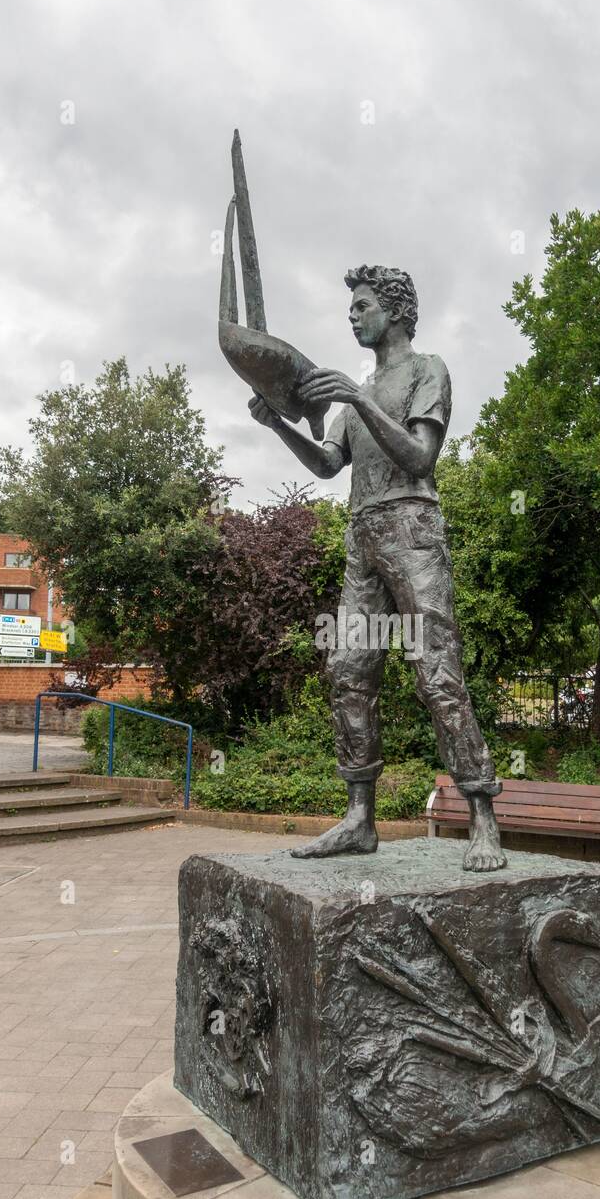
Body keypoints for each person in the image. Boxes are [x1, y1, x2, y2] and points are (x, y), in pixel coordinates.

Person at [248, 264, 506, 871]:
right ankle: (360, 819)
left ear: (393, 310)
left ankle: (483, 816)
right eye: (351, 308)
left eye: (361, 306)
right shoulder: (351, 393)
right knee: (349, 671)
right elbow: (325, 464)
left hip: (413, 531)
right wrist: (280, 424)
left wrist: (358, 397)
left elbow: (419, 454)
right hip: (363, 537)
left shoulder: (426, 370)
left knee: (438, 674)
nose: (352, 315)